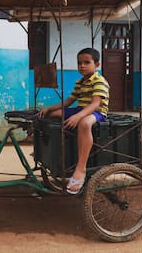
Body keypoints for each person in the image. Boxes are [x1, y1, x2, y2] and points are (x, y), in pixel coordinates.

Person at [39, 48, 109, 194]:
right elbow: (68, 102)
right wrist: (49, 109)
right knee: (50, 115)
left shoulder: (99, 81)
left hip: (97, 112)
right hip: (81, 109)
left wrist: (78, 117)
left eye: (86, 62)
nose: (82, 66)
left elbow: (95, 104)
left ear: (97, 65)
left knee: (84, 123)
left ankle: (81, 167)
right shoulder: (80, 82)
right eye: (79, 63)